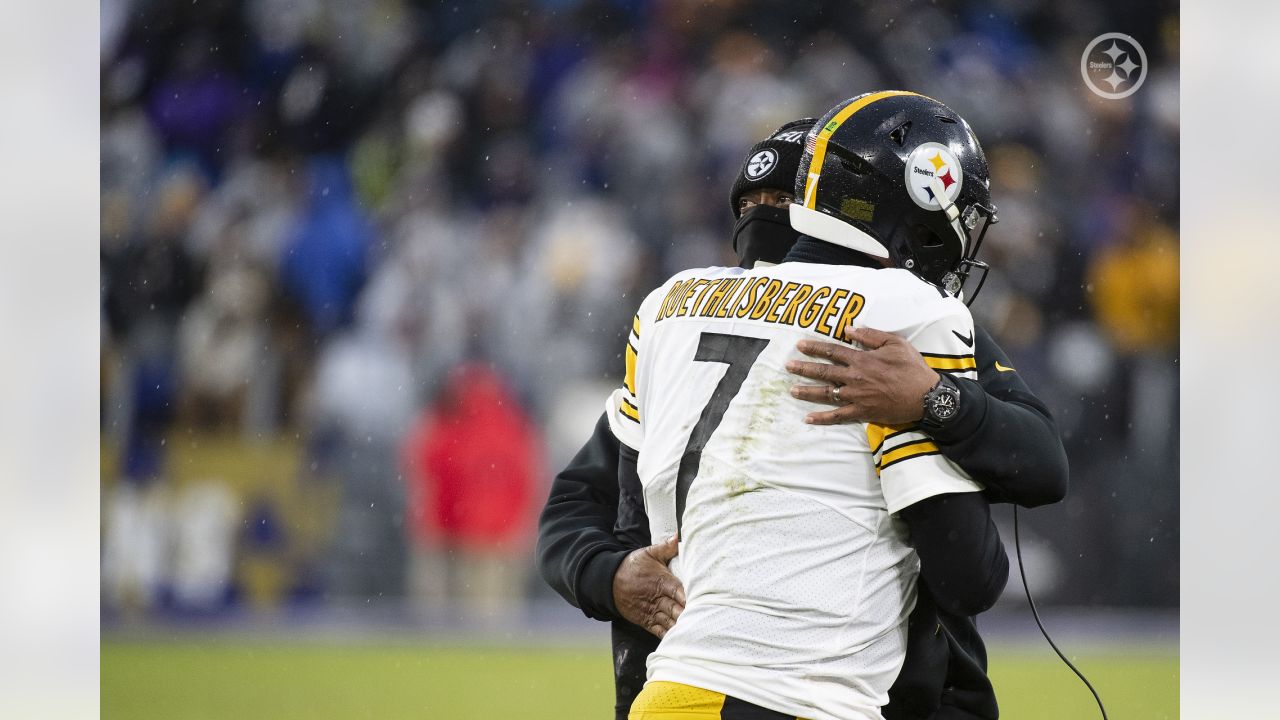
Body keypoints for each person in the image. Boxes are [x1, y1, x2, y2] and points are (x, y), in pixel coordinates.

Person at [536, 102, 1067, 719]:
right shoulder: (905, 313)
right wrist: (933, 402)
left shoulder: (670, 304)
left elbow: (594, 502)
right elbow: (973, 572)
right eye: (752, 204)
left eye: (774, 199)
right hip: (808, 693)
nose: (762, 218)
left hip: (674, 692)